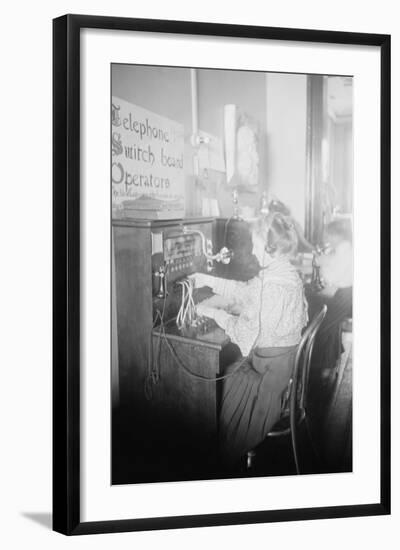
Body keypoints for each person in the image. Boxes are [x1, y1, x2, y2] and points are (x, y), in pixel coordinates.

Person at [191, 213, 308, 468]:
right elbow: (245, 290)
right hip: (283, 369)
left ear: (269, 247)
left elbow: (244, 335)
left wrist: (213, 313)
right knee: (230, 366)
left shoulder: (270, 286)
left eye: (255, 242)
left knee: (223, 378)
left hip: (267, 382)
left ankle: (217, 459)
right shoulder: (285, 273)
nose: (253, 249)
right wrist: (206, 280)